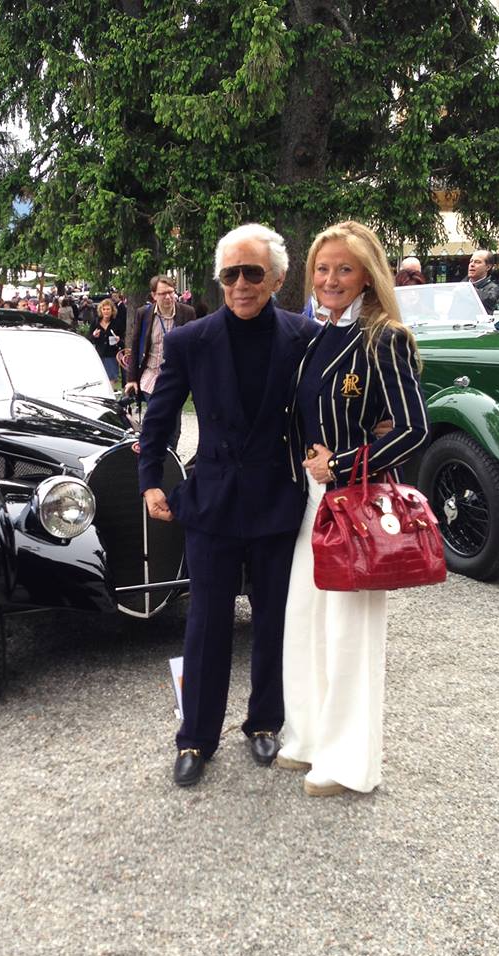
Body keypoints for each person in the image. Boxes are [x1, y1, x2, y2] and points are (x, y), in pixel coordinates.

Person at [138, 224, 317, 788]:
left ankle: (265, 720)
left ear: (278, 279)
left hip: (276, 497)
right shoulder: (193, 340)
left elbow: (324, 410)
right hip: (212, 499)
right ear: (219, 280)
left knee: (272, 620)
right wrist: (150, 482)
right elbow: (160, 417)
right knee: (207, 622)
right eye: (230, 274)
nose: (240, 283)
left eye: (252, 272)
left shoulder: (304, 336)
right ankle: (195, 735)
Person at [279, 220, 430, 797]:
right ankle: (311, 737)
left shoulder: (383, 336)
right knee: (307, 622)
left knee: (347, 633)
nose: (330, 279)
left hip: (355, 499)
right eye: (322, 268)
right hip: (313, 500)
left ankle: (348, 762)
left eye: (344, 268)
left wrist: (341, 465)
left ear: (367, 273)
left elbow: (414, 428)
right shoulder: (319, 336)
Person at [125, 275, 196, 449]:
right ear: (154, 295)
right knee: (158, 418)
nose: (168, 297)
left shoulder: (187, 313)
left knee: (174, 426)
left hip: (176, 377)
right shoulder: (144, 314)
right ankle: (155, 454)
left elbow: (195, 346)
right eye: (163, 293)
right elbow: (136, 346)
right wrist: (132, 379)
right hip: (151, 375)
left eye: (171, 292)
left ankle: (170, 457)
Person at [90, 298, 123, 383]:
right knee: (99, 379)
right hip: (99, 355)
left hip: (111, 355)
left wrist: (118, 340)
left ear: (112, 310)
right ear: (101, 310)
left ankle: (110, 395)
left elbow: (122, 341)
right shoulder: (95, 322)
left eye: (108, 309)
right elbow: (89, 339)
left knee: (111, 379)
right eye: (104, 309)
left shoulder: (117, 323)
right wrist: (94, 336)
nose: (106, 311)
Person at [465, 250, 499, 314]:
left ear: (488, 267)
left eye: (477, 262)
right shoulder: (460, 288)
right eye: (471, 261)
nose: (472, 265)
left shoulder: (496, 291)